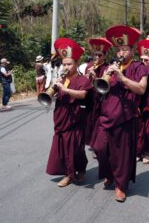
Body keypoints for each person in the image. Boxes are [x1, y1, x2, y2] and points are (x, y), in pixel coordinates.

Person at [92, 25, 149, 202]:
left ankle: (121, 186)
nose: (121, 53)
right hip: (106, 116)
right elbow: (100, 91)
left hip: (126, 117)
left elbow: (141, 89)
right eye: (119, 49)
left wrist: (122, 77)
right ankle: (109, 173)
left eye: (125, 49)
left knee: (122, 154)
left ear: (132, 50)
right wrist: (96, 79)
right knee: (99, 148)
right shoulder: (109, 68)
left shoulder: (139, 67)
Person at [46, 37, 92, 188]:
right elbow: (53, 96)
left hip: (76, 119)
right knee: (64, 147)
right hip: (61, 118)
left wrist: (66, 89)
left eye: (69, 64)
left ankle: (72, 173)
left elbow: (84, 95)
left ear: (76, 64)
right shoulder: (61, 79)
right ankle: (70, 172)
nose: (66, 67)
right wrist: (53, 88)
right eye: (64, 64)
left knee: (74, 148)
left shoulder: (83, 79)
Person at [84, 37, 112, 148]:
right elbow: (85, 84)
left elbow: (106, 86)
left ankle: (97, 144)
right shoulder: (89, 67)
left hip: (102, 99)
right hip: (90, 98)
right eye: (95, 55)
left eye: (99, 55)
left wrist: (95, 78)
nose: (96, 57)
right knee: (89, 120)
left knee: (98, 122)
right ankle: (92, 142)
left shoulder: (107, 68)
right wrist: (87, 77)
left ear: (104, 56)